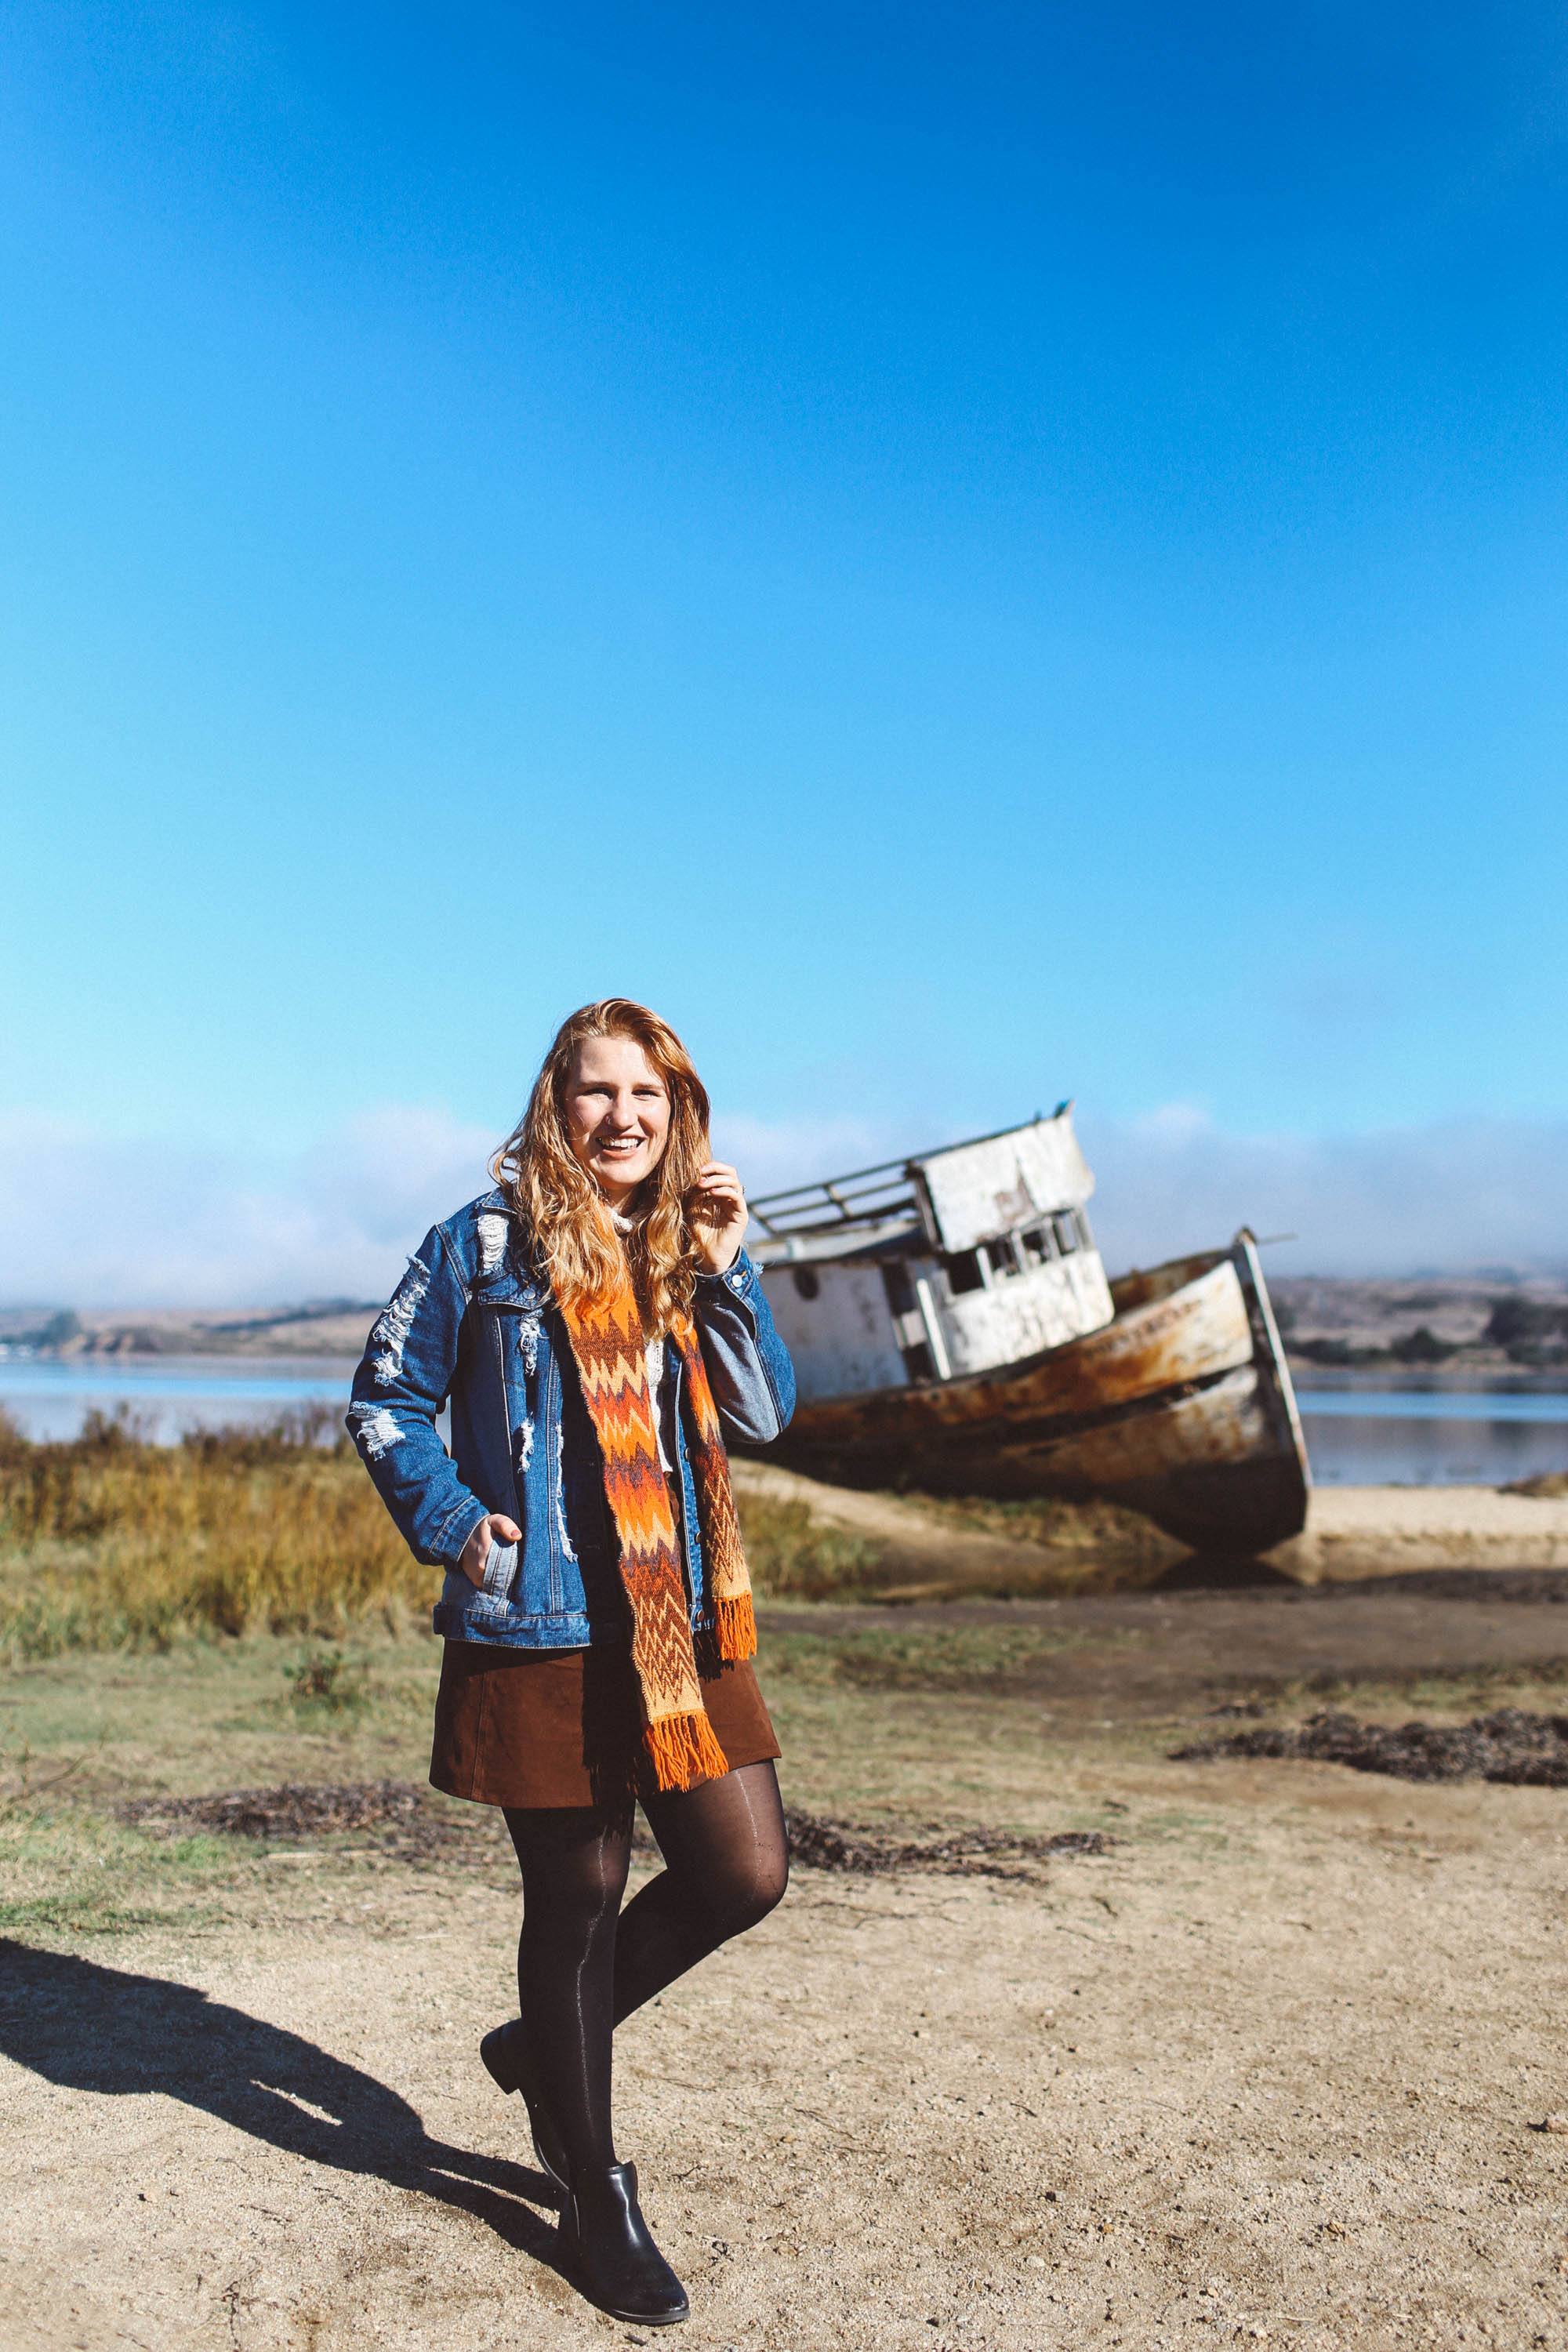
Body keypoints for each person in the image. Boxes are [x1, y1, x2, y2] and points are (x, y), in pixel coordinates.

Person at [347, 999, 796, 2327]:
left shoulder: (689, 1244)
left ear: (681, 1112)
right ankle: (592, 2190)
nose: (624, 1120)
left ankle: (543, 2049)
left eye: (648, 1098)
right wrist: (450, 1519)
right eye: (599, 1093)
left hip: (681, 1616)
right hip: (542, 1618)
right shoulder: (480, 1243)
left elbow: (768, 1411)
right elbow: (385, 1396)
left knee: (744, 1871)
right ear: (558, 1101)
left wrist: (725, 1266)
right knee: (579, 1904)